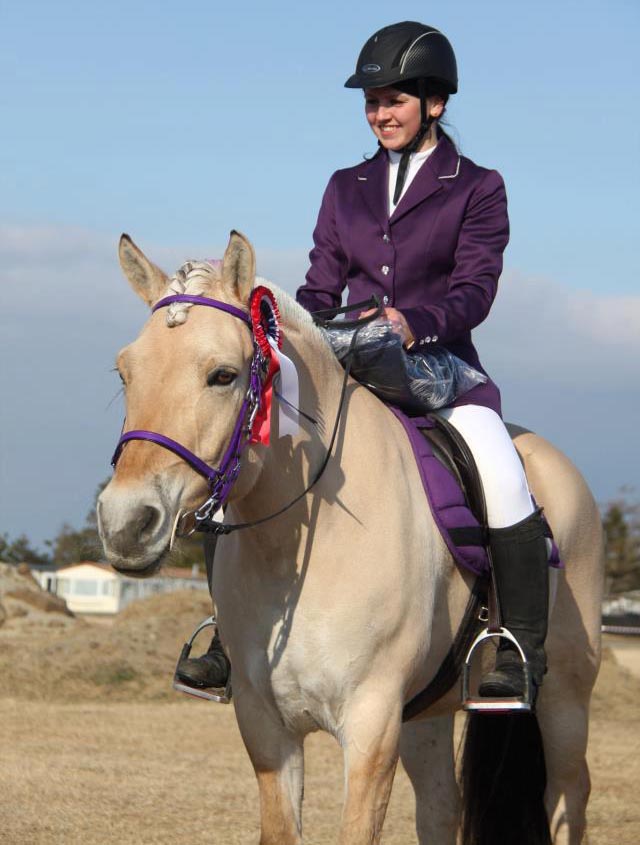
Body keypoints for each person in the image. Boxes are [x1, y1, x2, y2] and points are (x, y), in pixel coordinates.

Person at [177, 20, 549, 704]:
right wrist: (289, 319)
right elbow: (322, 286)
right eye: (372, 102)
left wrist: (418, 322)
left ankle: (518, 647)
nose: (381, 114)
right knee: (243, 454)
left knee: (501, 472)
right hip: (352, 363)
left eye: (395, 100)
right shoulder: (344, 185)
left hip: (440, 368)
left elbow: (475, 290)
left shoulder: (478, 187)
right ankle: (227, 638)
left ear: (434, 102)